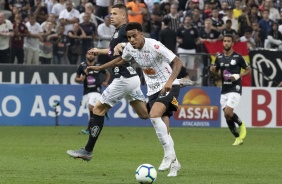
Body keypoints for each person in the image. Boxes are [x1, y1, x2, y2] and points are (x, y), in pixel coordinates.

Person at [85, 22, 186, 177]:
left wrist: (170, 81)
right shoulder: (130, 48)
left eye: (134, 36)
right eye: (129, 37)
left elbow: (177, 62)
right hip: (152, 90)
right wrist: (100, 68)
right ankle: (175, 163)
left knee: (153, 115)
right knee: (164, 127)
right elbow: (120, 60)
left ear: (141, 34)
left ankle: (168, 155)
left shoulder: (155, 46)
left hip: (168, 86)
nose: (132, 40)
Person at [66, 3, 149, 164]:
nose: (111, 16)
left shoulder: (126, 30)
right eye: (111, 13)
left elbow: (138, 42)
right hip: (132, 78)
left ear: (124, 16)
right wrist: (100, 50)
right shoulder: (117, 32)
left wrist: (103, 63)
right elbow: (114, 52)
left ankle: (87, 151)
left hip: (123, 78)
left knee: (98, 109)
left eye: (115, 13)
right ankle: (166, 104)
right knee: (145, 114)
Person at [210, 34, 251, 146]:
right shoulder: (219, 58)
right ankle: (238, 138)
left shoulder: (238, 57)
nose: (226, 43)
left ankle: (241, 124)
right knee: (227, 115)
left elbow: (248, 69)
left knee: (229, 112)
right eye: (225, 41)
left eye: (228, 41)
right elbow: (219, 75)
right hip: (224, 89)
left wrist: (239, 76)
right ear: (223, 42)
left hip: (235, 88)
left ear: (232, 43)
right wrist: (213, 71)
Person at [76, 51, 110, 135]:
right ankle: (103, 109)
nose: (91, 55)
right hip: (86, 91)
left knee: (91, 107)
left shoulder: (98, 65)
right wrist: (80, 79)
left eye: (93, 54)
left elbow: (107, 74)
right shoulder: (82, 65)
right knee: (91, 111)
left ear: (95, 56)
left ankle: (89, 129)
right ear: (86, 55)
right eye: (89, 54)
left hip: (96, 90)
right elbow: (76, 79)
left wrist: (105, 82)